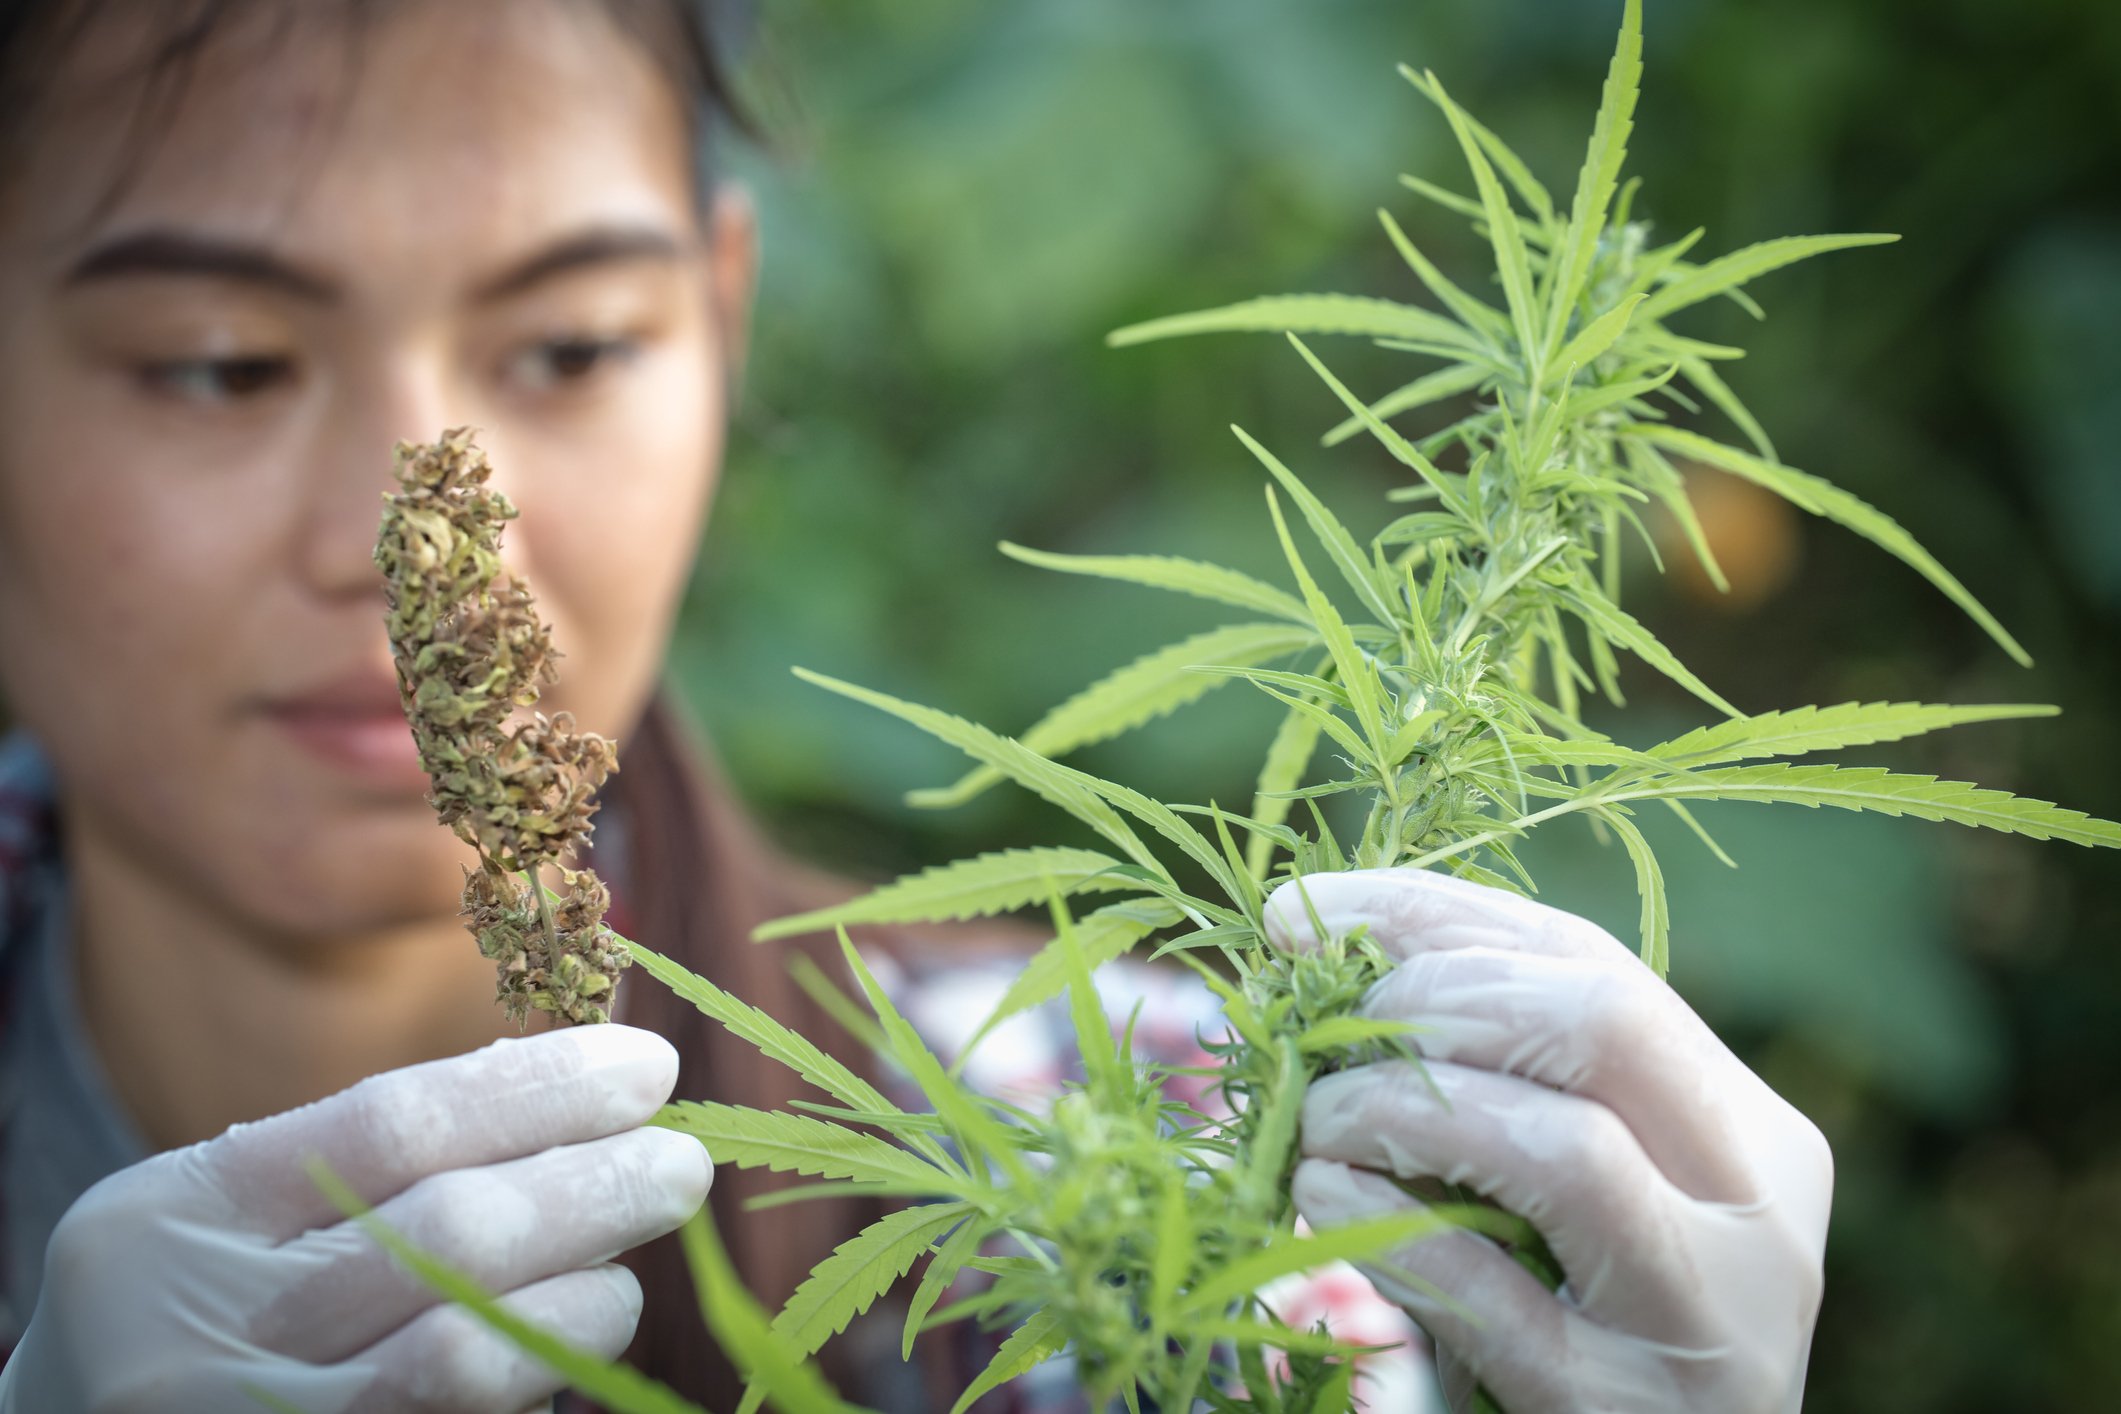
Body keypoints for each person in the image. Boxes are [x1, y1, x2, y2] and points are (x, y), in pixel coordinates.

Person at [0, 2, 1831, 1411]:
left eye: (568, 347)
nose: (409, 532)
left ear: (721, 326)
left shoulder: (1121, 1142)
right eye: (216, 364)